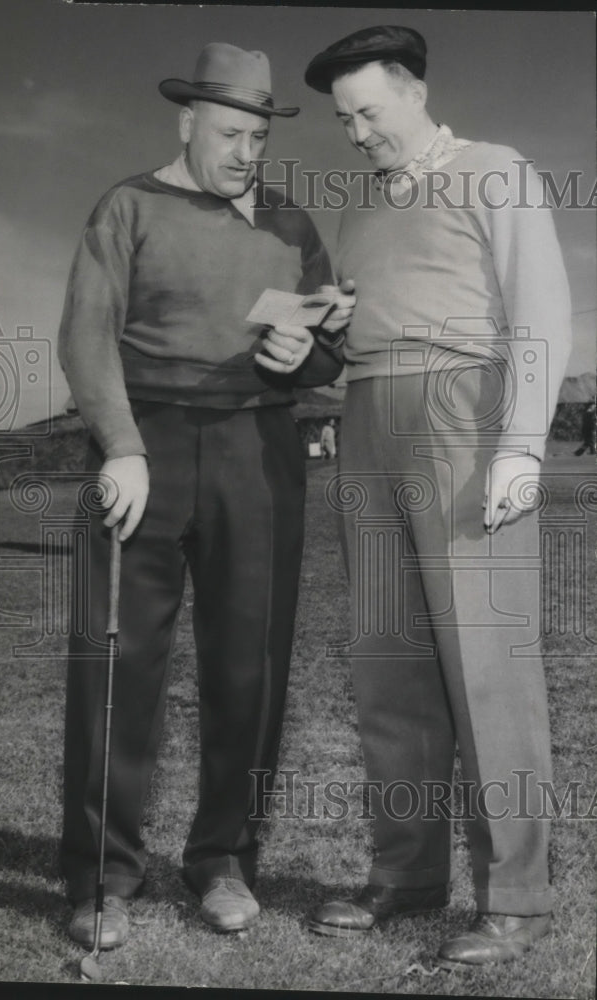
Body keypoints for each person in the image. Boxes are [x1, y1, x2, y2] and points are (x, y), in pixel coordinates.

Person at [58, 42, 354, 947]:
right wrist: (121, 445)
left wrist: (311, 354)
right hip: (142, 449)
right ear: (186, 122)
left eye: (257, 138)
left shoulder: (291, 226)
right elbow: (85, 337)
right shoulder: (128, 206)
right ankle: (102, 879)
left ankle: (223, 863)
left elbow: (332, 351)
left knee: (248, 669)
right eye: (229, 133)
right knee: (114, 666)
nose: (244, 153)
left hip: (258, 450)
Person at [303, 25, 572, 967]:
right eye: (343, 120)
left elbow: (541, 310)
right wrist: (326, 342)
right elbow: (355, 332)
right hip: (368, 415)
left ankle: (519, 898)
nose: (357, 133)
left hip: (464, 411)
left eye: (368, 111)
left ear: (413, 90)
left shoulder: (497, 169)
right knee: (389, 662)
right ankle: (406, 876)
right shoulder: (361, 211)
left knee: (487, 665)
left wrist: (523, 444)